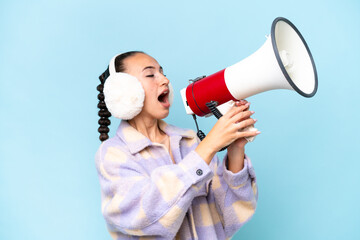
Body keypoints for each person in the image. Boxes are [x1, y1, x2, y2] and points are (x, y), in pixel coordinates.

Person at [95, 51, 260, 240]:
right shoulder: (113, 154)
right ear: (125, 92)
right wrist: (209, 145)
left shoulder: (190, 141)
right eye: (150, 75)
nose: (165, 80)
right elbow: (144, 217)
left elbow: (230, 216)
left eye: (163, 73)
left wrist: (235, 149)